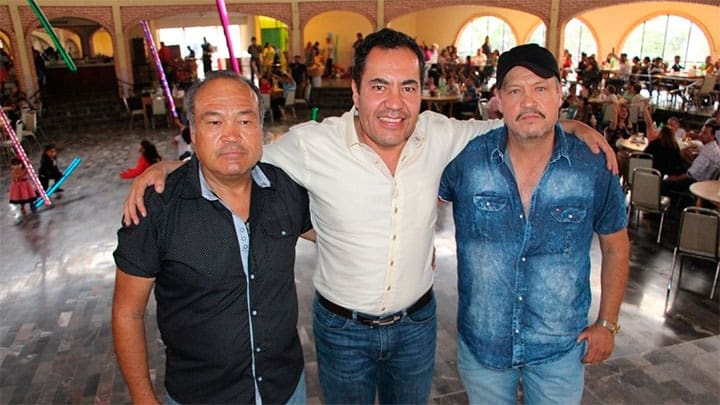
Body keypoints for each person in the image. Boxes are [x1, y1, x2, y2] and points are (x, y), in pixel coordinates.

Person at [122, 29, 615, 404]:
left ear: (421, 92)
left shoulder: (443, 135)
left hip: (416, 326)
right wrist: (173, 167)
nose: (394, 103)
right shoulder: (311, 145)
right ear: (354, 92)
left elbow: (519, 123)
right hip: (342, 331)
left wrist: (571, 124)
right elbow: (238, 149)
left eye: (407, 87)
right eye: (379, 86)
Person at [439, 43, 630, 404]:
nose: (528, 101)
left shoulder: (591, 166)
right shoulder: (467, 160)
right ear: (498, 100)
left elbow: (616, 246)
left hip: (560, 348)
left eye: (541, 88)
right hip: (484, 346)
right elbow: (415, 202)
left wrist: (607, 323)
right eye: (515, 91)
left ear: (560, 95)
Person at [112, 71, 312, 404]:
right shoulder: (156, 207)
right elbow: (127, 312)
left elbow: (337, 232)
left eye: (245, 121)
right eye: (215, 122)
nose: (232, 136)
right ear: (192, 132)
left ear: (261, 129)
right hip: (201, 395)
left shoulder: (285, 190)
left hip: (285, 389)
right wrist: (142, 397)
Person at [664, 119, 720, 193]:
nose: (700, 135)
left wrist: (674, 178)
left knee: (665, 182)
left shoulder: (709, 152)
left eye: (705, 133)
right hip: (702, 180)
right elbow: (697, 166)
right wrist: (687, 157)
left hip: (696, 184)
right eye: (701, 132)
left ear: (713, 136)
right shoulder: (712, 147)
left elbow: (691, 174)